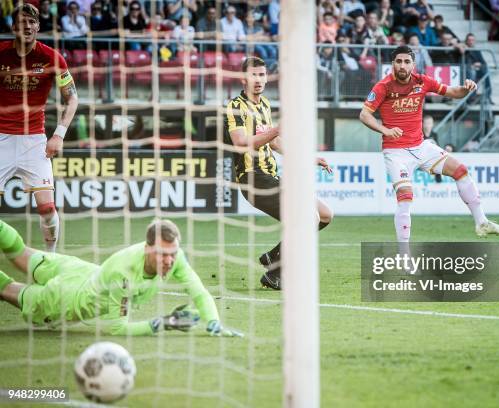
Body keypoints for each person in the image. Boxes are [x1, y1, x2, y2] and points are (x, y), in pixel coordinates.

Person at [359, 46, 499, 243]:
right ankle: (404, 255)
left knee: (461, 171)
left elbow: (452, 91)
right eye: (399, 61)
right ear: (393, 64)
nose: (402, 65)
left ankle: (482, 222)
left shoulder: (423, 81)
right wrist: (385, 130)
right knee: (405, 197)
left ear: (413, 64)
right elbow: (364, 114)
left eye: (407, 62)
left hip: (421, 146)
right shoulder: (383, 86)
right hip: (396, 151)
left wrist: (465, 89)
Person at [0, 219, 241, 336]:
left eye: (173, 254)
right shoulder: (124, 274)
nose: (169, 261)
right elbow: (118, 328)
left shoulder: (174, 258)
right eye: (162, 255)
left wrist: (213, 321)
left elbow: (198, 291)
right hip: (66, 301)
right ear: (147, 249)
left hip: (78, 269)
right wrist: (164, 323)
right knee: (7, 288)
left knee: (18, 251)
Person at [225, 57, 333, 290]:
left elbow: (274, 143)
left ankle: (274, 257)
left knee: (324, 215)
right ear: (243, 78)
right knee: (308, 218)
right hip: (253, 178)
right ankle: (275, 273)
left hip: (272, 175)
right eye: (254, 75)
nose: (259, 79)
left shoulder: (264, 104)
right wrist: (275, 130)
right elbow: (241, 142)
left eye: (262, 75)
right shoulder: (235, 106)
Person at [0, 4, 78, 252]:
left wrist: (59, 135)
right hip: (1, 138)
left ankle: (51, 258)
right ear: (13, 27)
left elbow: (72, 98)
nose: (27, 26)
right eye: (21, 22)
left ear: (37, 26)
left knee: (47, 209)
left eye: (32, 22)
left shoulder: (52, 58)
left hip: (34, 141)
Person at [465, 33, 493, 103]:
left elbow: (484, 63)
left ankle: (487, 96)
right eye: (469, 40)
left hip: (476, 71)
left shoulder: (476, 51)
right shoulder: (464, 50)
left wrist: (479, 64)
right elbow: (462, 62)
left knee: (486, 71)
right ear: (466, 41)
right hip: (466, 71)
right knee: (472, 72)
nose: (471, 42)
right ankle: (471, 98)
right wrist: (471, 65)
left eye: (472, 40)